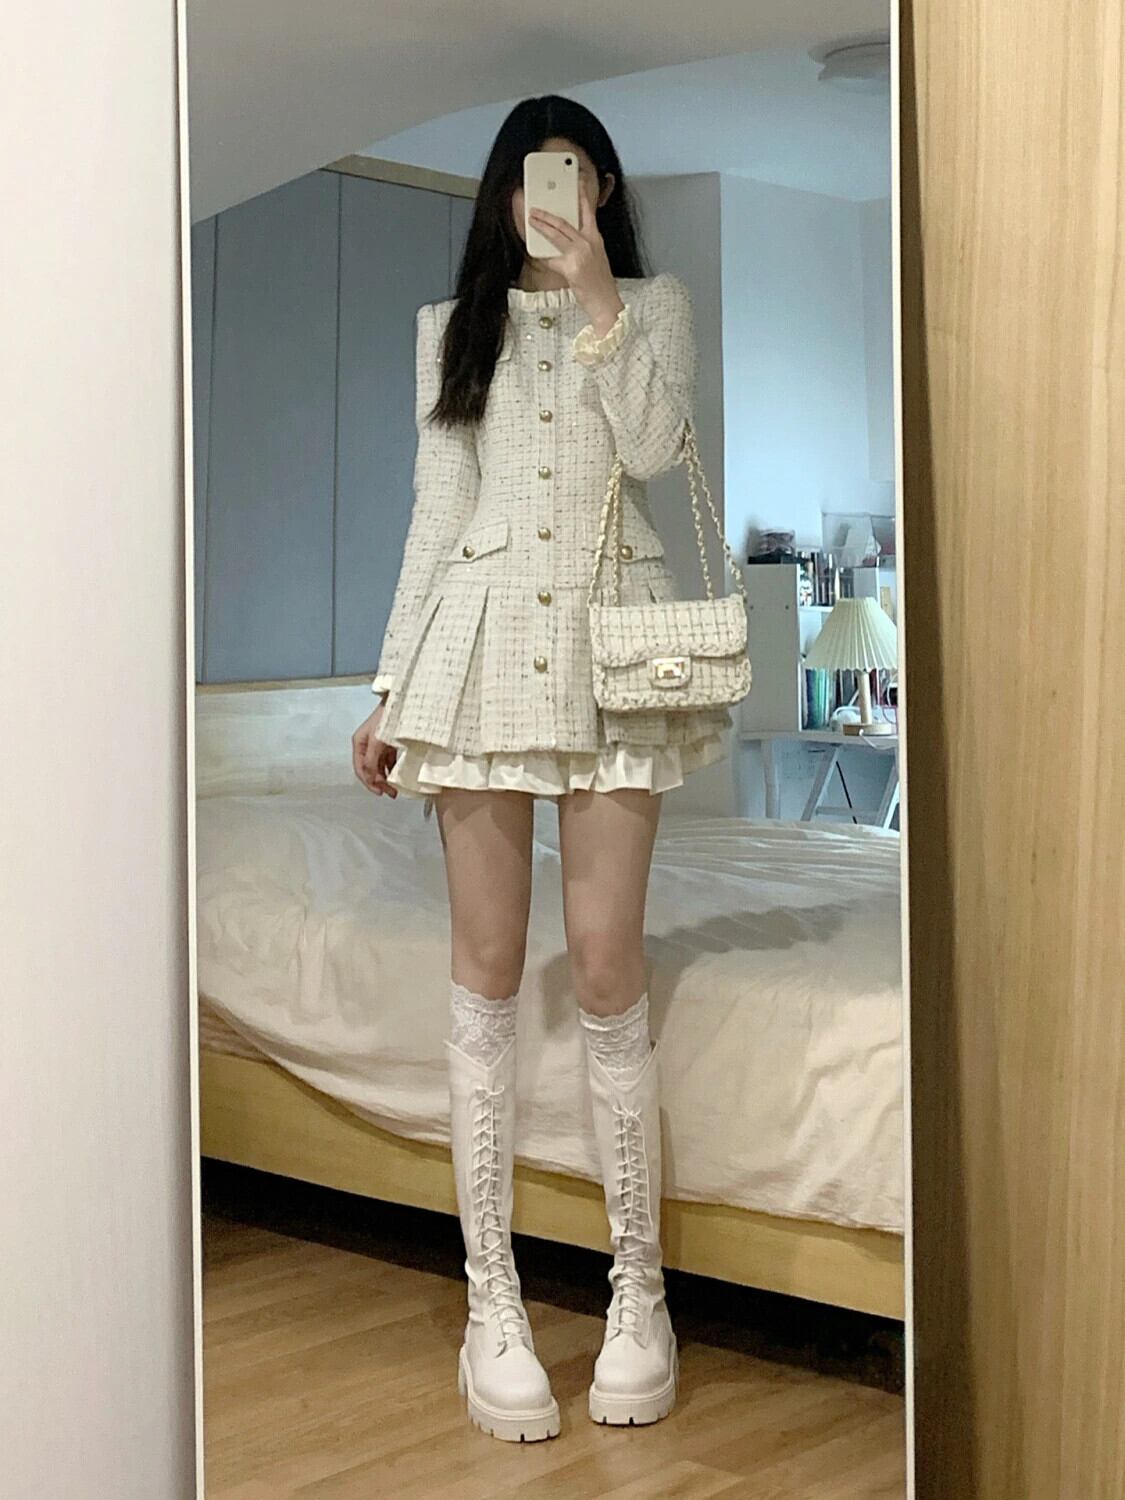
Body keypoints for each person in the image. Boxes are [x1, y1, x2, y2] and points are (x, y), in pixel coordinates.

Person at [351, 94, 730, 1442]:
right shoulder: (447, 329)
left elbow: (654, 452)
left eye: (568, 175)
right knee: (488, 968)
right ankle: (492, 1302)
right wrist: (391, 685)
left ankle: (640, 1293)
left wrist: (600, 302)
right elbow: (436, 510)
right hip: (477, 644)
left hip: (612, 649)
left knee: (609, 964)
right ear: (502, 197)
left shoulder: (653, 307)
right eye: (527, 179)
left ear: (601, 189)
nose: (548, 198)